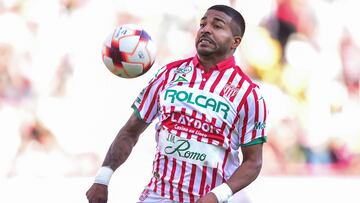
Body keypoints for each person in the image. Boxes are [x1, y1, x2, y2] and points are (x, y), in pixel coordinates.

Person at [86, 4, 268, 203]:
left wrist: (217, 195)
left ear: (235, 42)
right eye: (202, 24)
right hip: (157, 197)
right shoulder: (168, 75)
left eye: (217, 26)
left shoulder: (248, 93)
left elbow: (253, 162)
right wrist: (103, 178)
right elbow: (131, 130)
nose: (206, 29)